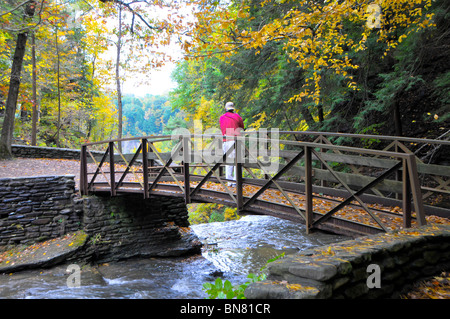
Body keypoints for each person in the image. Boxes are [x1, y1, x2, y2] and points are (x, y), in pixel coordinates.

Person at [219, 101, 244, 186]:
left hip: (226, 140)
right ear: (233, 108)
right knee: (237, 161)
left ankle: (229, 181)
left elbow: (222, 128)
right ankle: (236, 181)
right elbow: (242, 127)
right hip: (236, 140)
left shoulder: (222, 118)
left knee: (228, 161)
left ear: (226, 108)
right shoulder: (237, 117)